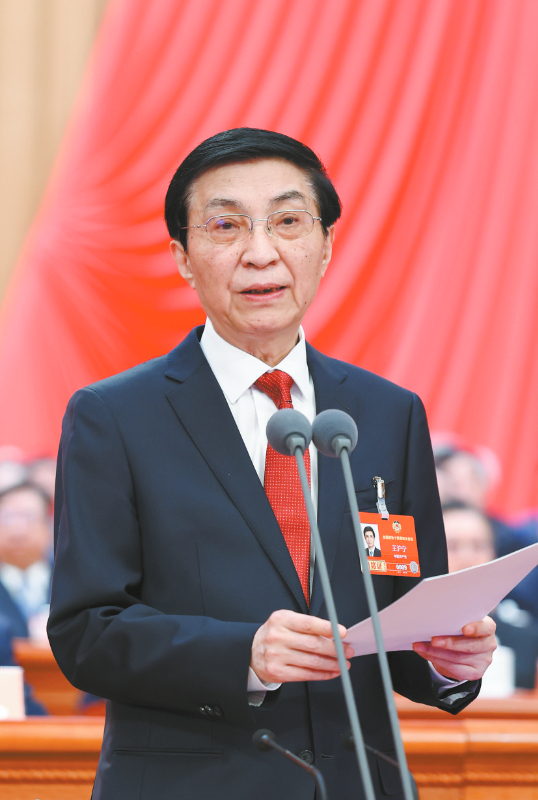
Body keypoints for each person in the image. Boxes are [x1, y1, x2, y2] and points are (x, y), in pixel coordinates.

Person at [48, 128, 496, 800]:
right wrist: (244, 656)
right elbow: (86, 631)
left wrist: (449, 660)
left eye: (288, 222)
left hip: (358, 781)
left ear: (326, 246)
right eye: (226, 226)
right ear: (182, 257)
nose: (261, 253)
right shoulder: (113, 416)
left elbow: (402, 614)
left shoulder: (387, 412)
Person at [0, 482, 52, 641]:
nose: (17, 530)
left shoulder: (72, 580)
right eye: (7, 518)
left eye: (28, 517)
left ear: (48, 524)